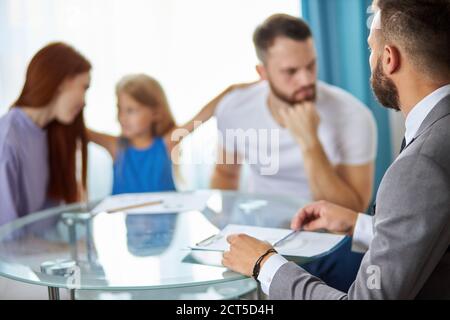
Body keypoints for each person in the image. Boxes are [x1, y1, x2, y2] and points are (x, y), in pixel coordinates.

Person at [222, 0, 450, 299]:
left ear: (389, 58)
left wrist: (263, 265)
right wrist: (359, 224)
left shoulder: (418, 163)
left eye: (371, 48)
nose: (305, 79)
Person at [211, 13, 377, 292]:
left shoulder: (352, 115)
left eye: (311, 66)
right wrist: (223, 230)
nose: (306, 80)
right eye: (290, 71)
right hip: (261, 237)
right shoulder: (235, 108)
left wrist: (309, 141)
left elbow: (353, 211)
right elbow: (225, 174)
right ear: (262, 73)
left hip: (331, 245)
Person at [88, 74, 247, 194]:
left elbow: (202, 116)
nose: (122, 117)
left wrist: (230, 90)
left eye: (131, 110)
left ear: (155, 113)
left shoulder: (166, 143)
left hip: (164, 232)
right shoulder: (116, 147)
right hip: (127, 234)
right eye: (119, 109)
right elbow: (79, 130)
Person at [0, 42, 91, 226]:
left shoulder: (49, 132)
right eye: (84, 87)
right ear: (62, 82)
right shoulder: (8, 141)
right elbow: (8, 240)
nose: (84, 102)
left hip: (45, 251)